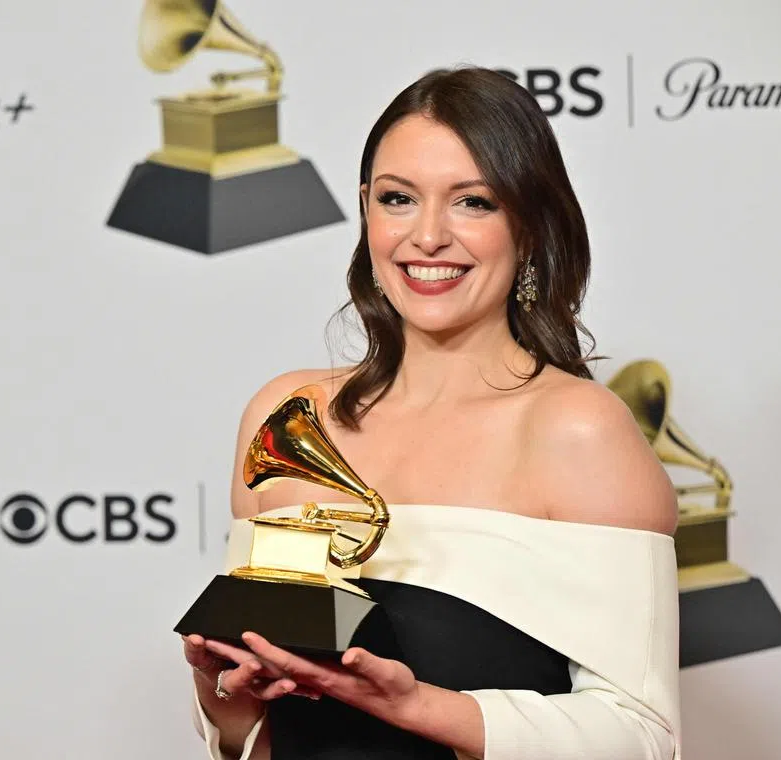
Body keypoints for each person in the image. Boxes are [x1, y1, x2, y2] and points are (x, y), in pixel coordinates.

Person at [181, 66, 681, 760]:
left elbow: (641, 736)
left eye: (472, 202)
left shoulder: (577, 430)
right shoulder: (287, 416)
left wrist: (415, 706)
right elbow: (255, 742)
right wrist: (224, 697)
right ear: (365, 210)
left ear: (530, 223)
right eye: (398, 199)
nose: (427, 236)